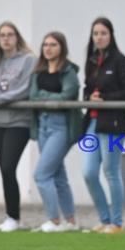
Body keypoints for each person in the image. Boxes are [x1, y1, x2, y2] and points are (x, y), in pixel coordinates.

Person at [0, 21, 36, 232]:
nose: (6, 38)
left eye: (10, 35)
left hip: (18, 122)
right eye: (2, 35)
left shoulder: (28, 60)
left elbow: (24, 90)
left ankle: (14, 217)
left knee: (8, 166)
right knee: (5, 171)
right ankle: (10, 217)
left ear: (17, 38)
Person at [82, 17, 125, 234]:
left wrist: (105, 97)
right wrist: (91, 96)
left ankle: (116, 223)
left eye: (103, 33)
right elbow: (86, 89)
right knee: (88, 172)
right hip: (92, 122)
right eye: (95, 33)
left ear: (111, 35)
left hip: (114, 124)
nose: (99, 37)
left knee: (111, 170)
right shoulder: (91, 61)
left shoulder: (121, 61)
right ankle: (104, 219)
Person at [29, 31, 82, 232]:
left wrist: (45, 98)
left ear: (62, 47)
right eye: (46, 45)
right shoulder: (38, 71)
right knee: (58, 175)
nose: (48, 48)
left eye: (53, 44)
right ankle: (70, 221)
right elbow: (33, 96)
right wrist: (50, 98)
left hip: (61, 126)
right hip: (42, 124)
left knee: (41, 174)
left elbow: (67, 95)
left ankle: (54, 221)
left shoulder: (68, 71)